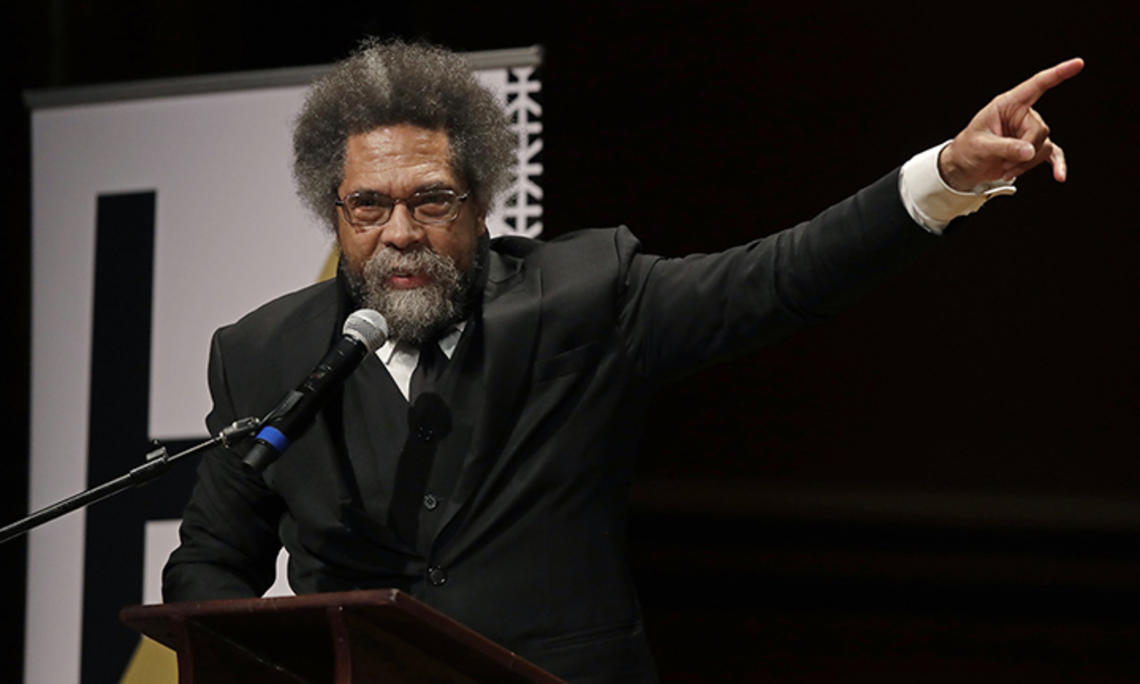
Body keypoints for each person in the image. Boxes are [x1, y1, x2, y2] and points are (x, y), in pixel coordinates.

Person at [163, 39, 1083, 683]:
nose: (400, 234)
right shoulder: (263, 353)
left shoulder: (584, 297)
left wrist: (948, 178)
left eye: (431, 200)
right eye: (369, 207)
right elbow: (211, 557)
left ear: (481, 202)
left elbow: (781, 277)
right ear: (334, 212)